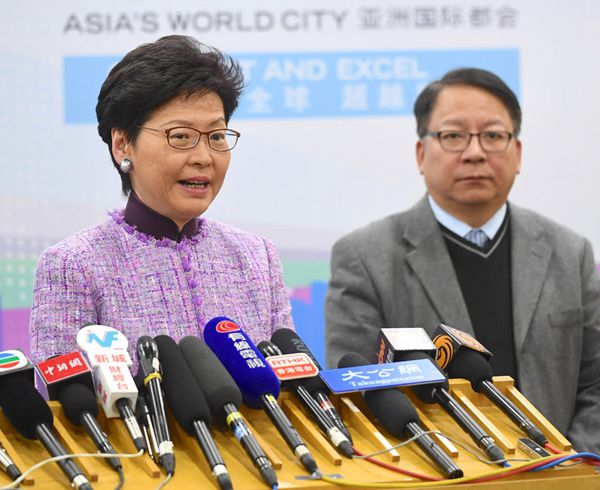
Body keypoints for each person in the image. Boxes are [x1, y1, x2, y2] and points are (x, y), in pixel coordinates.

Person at [325, 68, 600, 452]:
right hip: (440, 470)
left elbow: (595, 384)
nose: (475, 153)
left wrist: (574, 466)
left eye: (493, 136)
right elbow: (358, 396)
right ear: (421, 154)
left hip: (562, 470)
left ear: (518, 153)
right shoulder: (364, 258)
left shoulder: (570, 253)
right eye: (453, 136)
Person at [29, 35, 293, 364]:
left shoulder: (257, 257)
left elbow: (289, 385)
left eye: (216, 136)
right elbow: (62, 394)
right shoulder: (75, 265)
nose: (203, 157)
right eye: (180, 136)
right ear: (122, 145)